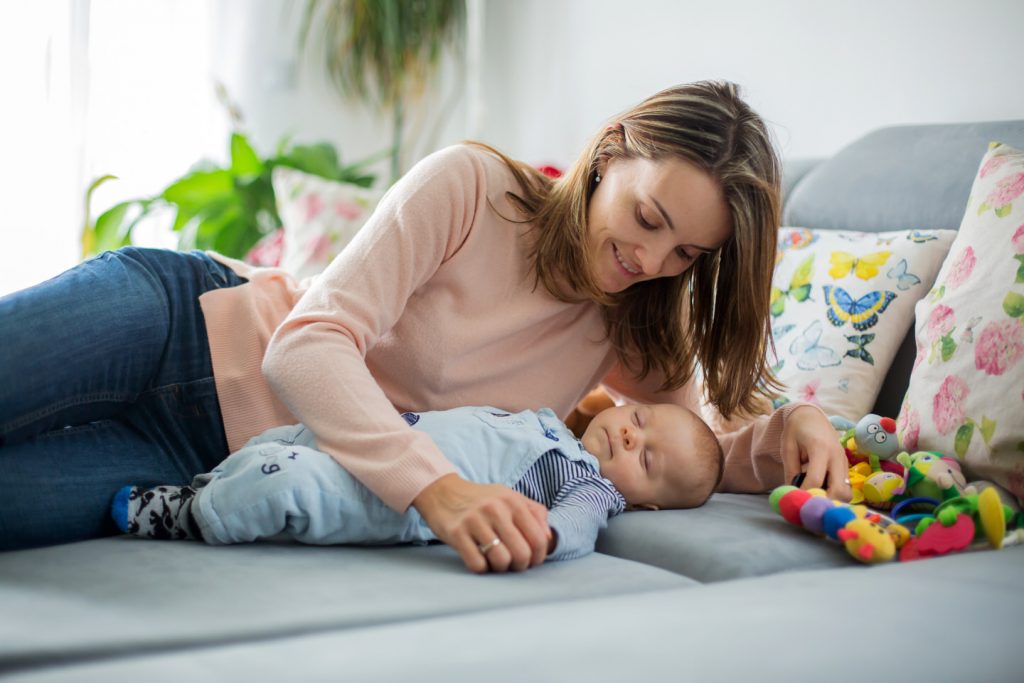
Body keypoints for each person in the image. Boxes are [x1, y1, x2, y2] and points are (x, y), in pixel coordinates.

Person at [0, 80, 849, 570]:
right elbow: (308, 343)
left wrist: (793, 428)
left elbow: (687, 446)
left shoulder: (632, 325)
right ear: (613, 153)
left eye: (687, 253)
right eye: (649, 216)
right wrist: (433, 487)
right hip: (176, 323)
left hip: (201, 458)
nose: (651, 258)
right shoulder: (474, 188)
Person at [111, 403, 722, 566]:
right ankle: (208, 486)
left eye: (648, 461)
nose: (632, 440)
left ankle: (188, 515)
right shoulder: (552, 425)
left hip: (391, 501)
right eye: (639, 422)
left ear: (642, 500)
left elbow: (578, 529)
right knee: (282, 441)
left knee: (285, 483)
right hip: (382, 446)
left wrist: (542, 533)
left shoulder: (589, 484)